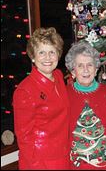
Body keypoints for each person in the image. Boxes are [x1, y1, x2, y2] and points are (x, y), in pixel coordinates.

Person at [65, 41, 106, 170]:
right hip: (76, 165)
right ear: (73, 71)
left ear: (96, 69)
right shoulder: (65, 94)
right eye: (80, 66)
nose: (85, 70)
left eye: (90, 65)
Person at [13, 27, 69, 169]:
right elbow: (24, 139)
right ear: (33, 56)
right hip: (40, 161)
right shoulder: (25, 91)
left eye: (52, 52)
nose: (47, 58)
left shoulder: (58, 76)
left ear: (58, 54)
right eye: (41, 52)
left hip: (63, 154)